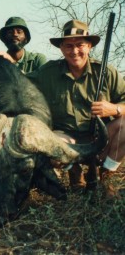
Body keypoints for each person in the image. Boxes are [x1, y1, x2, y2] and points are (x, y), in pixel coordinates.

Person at [27, 19, 125, 198]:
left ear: (89, 46)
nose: (74, 51)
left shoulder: (107, 72)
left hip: (101, 138)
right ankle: (75, 174)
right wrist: (6, 60)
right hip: (66, 140)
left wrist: (114, 109)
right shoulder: (47, 73)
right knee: (50, 141)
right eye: (68, 46)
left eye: (80, 45)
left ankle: (105, 177)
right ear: (61, 48)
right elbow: (20, 81)